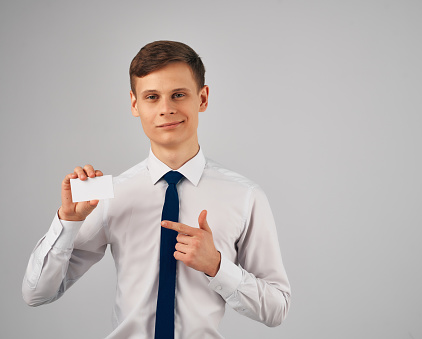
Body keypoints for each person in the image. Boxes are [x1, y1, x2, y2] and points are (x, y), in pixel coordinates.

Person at [22, 40, 291, 338]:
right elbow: (36, 294)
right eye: (152, 97)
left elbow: (277, 309)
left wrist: (217, 266)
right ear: (135, 104)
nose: (166, 109)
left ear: (202, 98)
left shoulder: (245, 197)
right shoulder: (111, 195)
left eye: (178, 94)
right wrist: (68, 222)